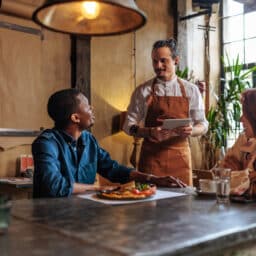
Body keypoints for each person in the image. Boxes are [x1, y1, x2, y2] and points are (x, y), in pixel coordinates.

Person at [32, 88, 186, 198]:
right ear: (75, 118)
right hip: (51, 216)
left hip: (83, 214)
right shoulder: (46, 143)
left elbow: (112, 169)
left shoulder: (89, 140)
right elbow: (53, 186)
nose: (92, 109)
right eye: (87, 106)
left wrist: (152, 178)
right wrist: (99, 189)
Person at [123, 38, 208, 186]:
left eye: (163, 61)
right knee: (149, 207)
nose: (158, 66)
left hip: (180, 159)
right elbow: (128, 125)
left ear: (176, 60)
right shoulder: (143, 91)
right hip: (150, 161)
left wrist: (192, 131)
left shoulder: (191, 90)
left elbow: (203, 124)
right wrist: (148, 132)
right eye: (154, 61)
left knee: (183, 206)